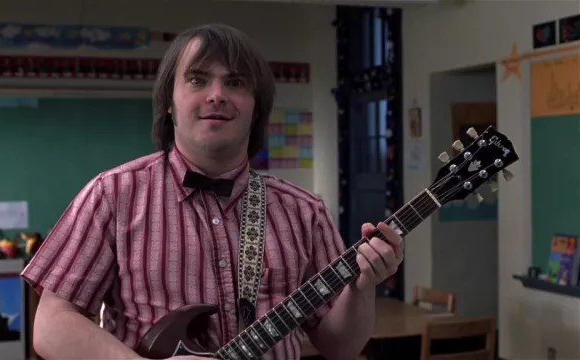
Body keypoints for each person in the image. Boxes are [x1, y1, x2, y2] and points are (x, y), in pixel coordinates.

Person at [21, 23, 404, 360]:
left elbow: (340, 348)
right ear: (169, 103)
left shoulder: (305, 212)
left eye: (235, 82)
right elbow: (52, 326)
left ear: (256, 107)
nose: (216, 94)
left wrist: (362, 287)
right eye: (197, 79)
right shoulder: (112, 195)